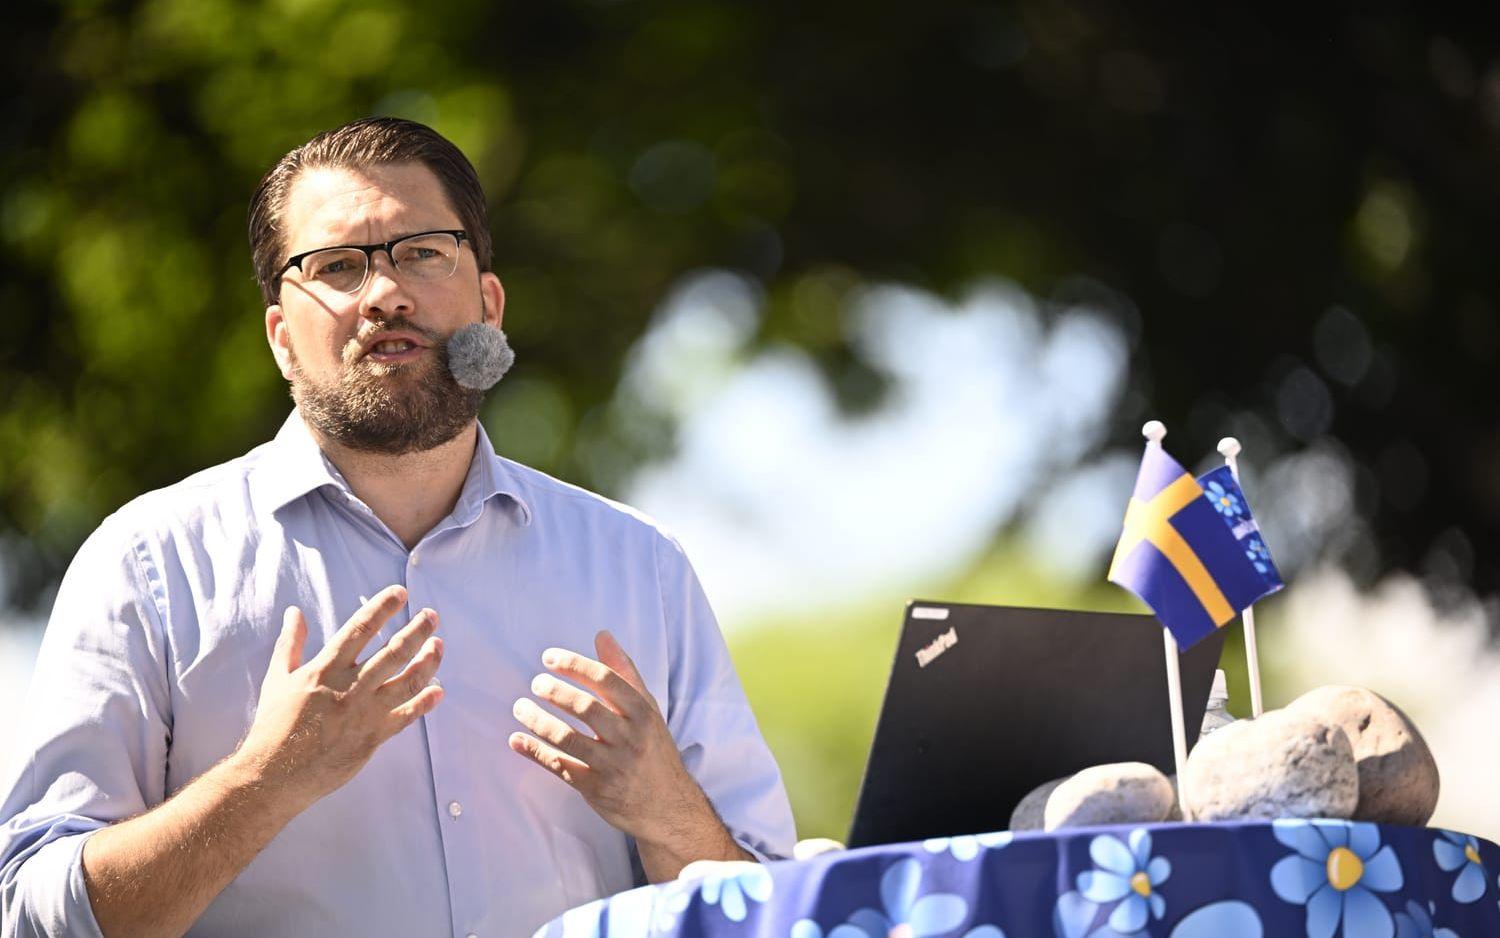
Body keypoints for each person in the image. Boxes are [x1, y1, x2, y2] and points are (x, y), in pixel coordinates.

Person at [0, 117, 795, 938]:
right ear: (280, 337)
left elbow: (785, 917)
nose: (385, 293)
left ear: (489, 301)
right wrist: (266, 780)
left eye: (423, 251)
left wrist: (672, 817)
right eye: (337, 267)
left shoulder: (641, 568)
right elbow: (32, 916)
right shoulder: (147, 566)